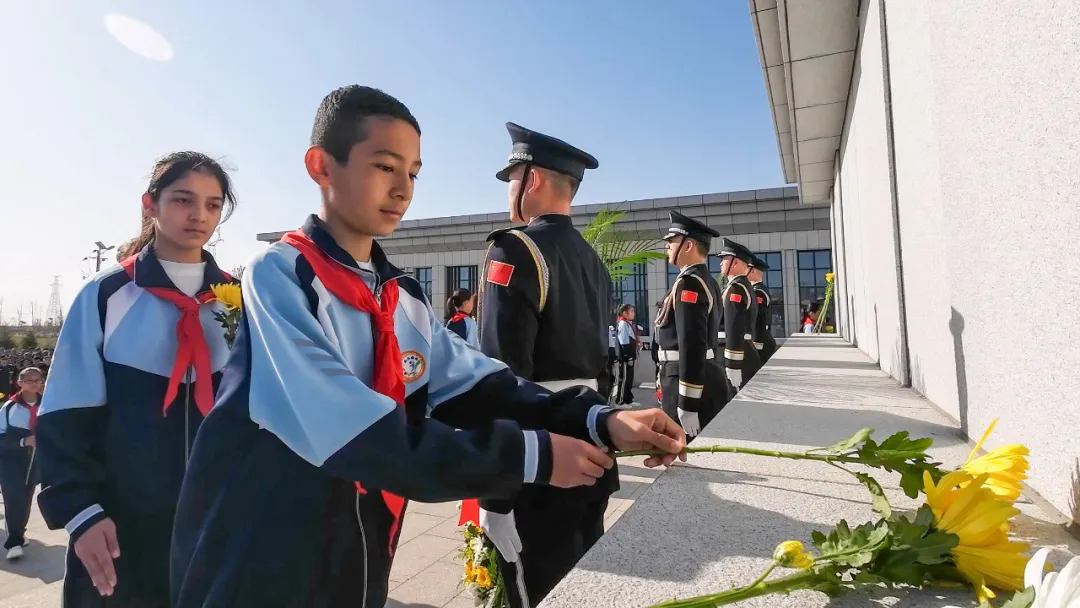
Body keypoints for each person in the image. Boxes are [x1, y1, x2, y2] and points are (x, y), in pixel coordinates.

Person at [169, 86, 685, 608]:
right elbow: (352, 430)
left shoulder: (401, 295)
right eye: (384, 167)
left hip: (362, 548)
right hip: (266, 552)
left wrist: (600, 419)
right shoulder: (282, 275)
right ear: (322, 166)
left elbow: (481, 383)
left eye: (413, 173)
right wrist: (528, 456)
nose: (402, 190)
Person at [36, 151, 240, 605]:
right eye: (183, 199)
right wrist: (81, 513)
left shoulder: (237, 301)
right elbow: (64, 414)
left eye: (212, 204)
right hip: (120, 531)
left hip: (218, 529)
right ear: (150, 204)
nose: (199, 215)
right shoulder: (106, 295)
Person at [476, 121, 625, 608]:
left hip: (538, 459)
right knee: (582, 586)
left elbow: (500, 375)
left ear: (533, 179)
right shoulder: (592, 261)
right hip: (591, 444)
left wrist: (496, 492)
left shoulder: (514, 249)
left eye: (511, 179)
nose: (509, 191)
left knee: (532, 591)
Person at [654, 211, 727, 437]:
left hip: (685, 381)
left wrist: (688, 402)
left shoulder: (689, 284)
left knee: (682, 448)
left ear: (688, 245)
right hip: (692, 375)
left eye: (672, 241)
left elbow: (692, 343)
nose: (667, 246)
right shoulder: (704, 280)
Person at [0, 367, 43, 560]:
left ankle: (19, 533)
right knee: (13, 498)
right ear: (19, 382)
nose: (33, 384)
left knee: (26, 498)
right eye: (28, 380)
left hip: (33, 460)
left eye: (37, 380)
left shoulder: (47, 405)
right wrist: (22, 441)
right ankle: (13, 542)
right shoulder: (9, 407)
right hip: (10, 460)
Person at [717, 238, 762, 394]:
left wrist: (733, 363)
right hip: (743, 350)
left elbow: (734, 326)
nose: (720, 263)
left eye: (724, 259)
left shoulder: (736, 289)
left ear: (735, 262)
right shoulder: (743, 286)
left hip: (737, 353)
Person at [747, 255, 778, 371]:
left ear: (753, 271)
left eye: (747, 269)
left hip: (760, 342)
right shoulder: (759, 290)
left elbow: (758, 320)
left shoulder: (758, 292)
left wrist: (756, 344)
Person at [614, 304, 640, 407]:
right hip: (625, 358)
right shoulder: (623, 324)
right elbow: (624, 342)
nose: (634, 313)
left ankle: (628, 399)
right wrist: (628, 357)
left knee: (629, 379)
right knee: (624, 379)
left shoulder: (628, 324)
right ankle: (620, 401)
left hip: (630, 356)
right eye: (632, 311)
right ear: (625, 313)